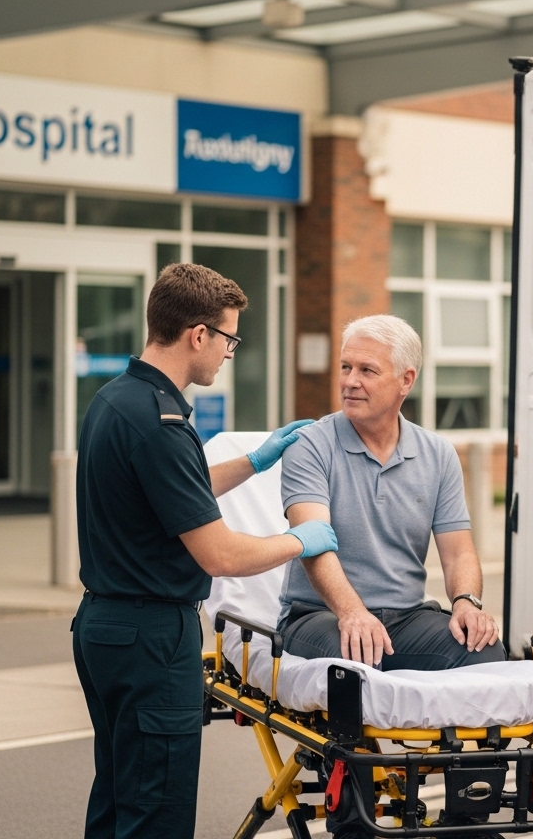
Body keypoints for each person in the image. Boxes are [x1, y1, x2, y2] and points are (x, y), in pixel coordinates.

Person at [72, 263, 339, 839]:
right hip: (151, 637)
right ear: (198, 335)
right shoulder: (163, 424)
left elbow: (174, 495)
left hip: (104, 628)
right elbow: (217, 555)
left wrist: (255, 461)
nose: (229, 353)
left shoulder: (116, 402)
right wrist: (299, 541)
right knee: (155, 817)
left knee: (118, 801)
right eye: (229, 339)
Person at [277, 314, 503, 671]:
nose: (350, 381)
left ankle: (441, 729)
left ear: (406, 380)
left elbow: (458, 551)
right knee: (355, 657)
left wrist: (465, 604)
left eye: (367, 370)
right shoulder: (309, 446)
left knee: (484, 651)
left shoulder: (438, 454)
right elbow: (313, 546)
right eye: (346, 367)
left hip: (407, 617)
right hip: (321, 616)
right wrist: (353, 613)